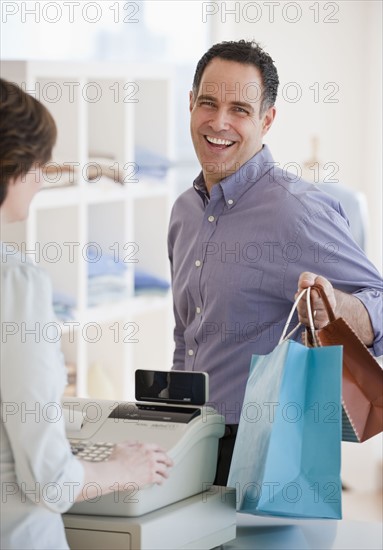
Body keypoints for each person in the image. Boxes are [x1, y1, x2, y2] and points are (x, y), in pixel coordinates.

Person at [167, 40, 383, 485]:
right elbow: (184, 334)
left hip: (269, 452)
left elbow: (379, 300)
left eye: (240, 109)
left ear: (267, 120)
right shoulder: (184, 212)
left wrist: (337, 309)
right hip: (191, 444)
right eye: (208, 102)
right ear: (190, 105)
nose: (219, 122)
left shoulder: (296, 211)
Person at [0, 78, 173, 549]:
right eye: (38, 164)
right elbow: (51, 482)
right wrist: (122, 467)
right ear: (13, 164)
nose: (41, 178)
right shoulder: (15, 284)